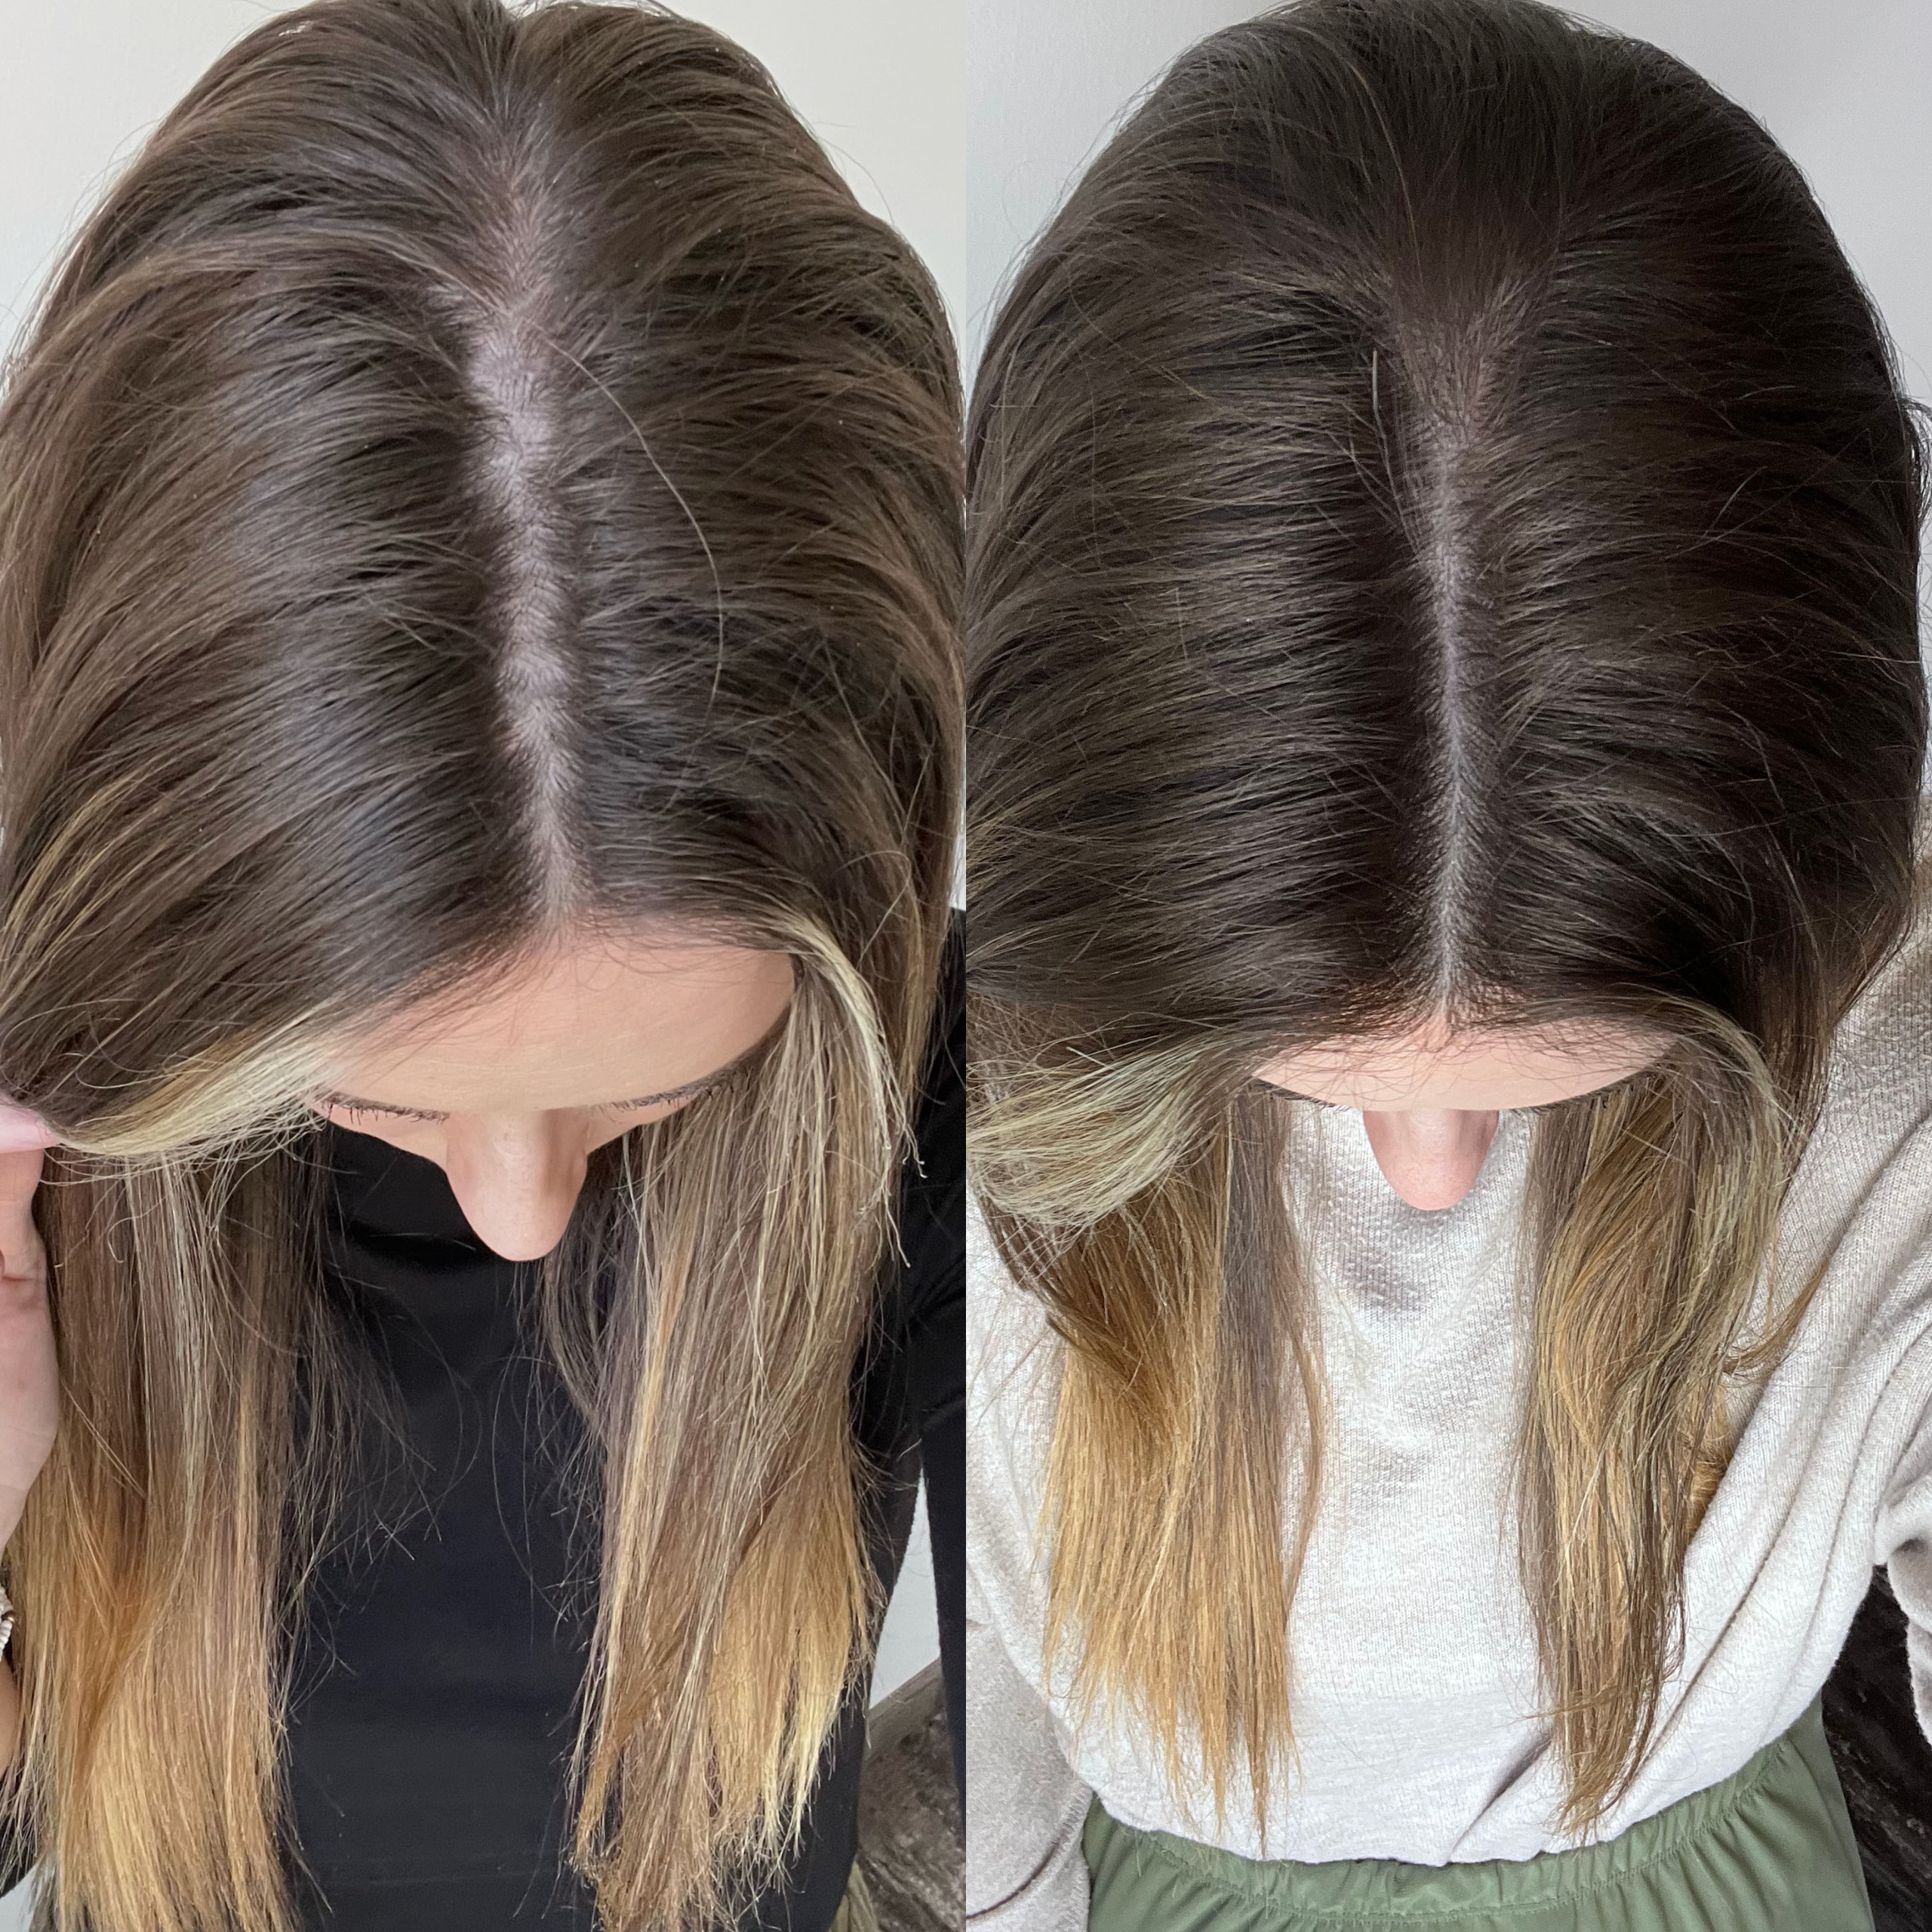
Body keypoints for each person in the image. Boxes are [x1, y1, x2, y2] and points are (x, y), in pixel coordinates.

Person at [962, 2, 1929, 1928]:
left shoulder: (1887, 1073)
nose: (1426, 1178)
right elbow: (983, 1681)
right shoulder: (963, 1079)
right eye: (1315, 1074)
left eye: (1550, 1080)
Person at [0, 3, 964, 1929]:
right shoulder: (61, 1145)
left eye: (657, 1091)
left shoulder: (932, 1084)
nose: (526, 1212)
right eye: (376, 1092)